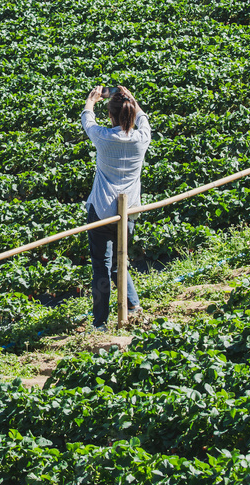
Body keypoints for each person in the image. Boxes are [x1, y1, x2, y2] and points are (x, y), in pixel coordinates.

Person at [81, 84, 151, 331]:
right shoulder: (141, 138)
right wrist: (130, 98)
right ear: (131, 112)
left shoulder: (103, 137)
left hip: (101, 210)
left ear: (110, 115)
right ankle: (133, 308)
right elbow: (142, 117)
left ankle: (100, 322)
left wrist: (92, 100)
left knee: (101, 264)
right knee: (120, 262)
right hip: (128, 211)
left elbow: (87, 120)